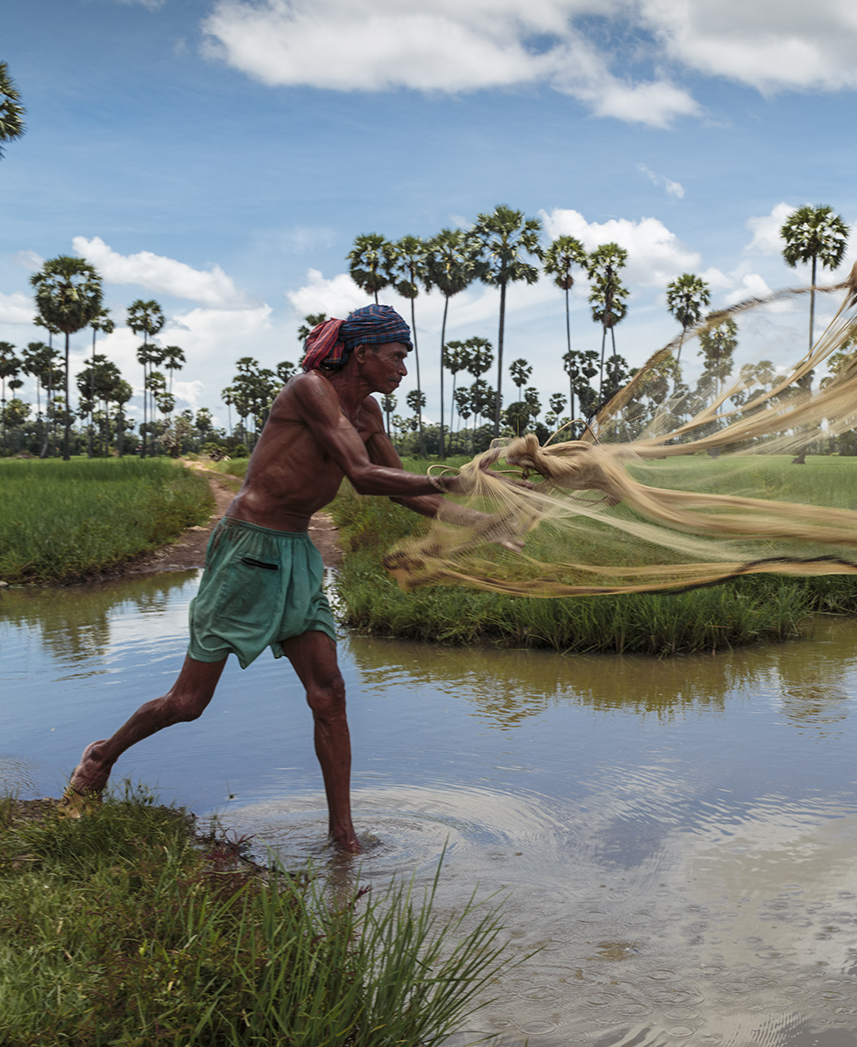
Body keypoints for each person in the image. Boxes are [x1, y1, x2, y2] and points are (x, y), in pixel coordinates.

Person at [64, 304, 518, 852]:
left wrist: (487, 525)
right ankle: (100, 756)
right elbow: (364, 476)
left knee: (329, 692)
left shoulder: (369, 412)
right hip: (248, 549)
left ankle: (343, 836)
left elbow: (403, 491)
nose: (402, 370)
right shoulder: (311, 389)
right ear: (363, 353)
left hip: (298, 554)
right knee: (187, 703)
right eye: (397, 357)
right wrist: (463, 481)